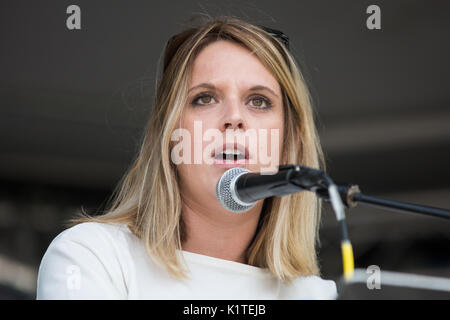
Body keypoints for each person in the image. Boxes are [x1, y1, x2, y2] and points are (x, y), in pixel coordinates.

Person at [36, 15, 337, 300]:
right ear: (168, 135)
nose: (234, 117)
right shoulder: (93, 256)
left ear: (290, 141)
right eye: (204, 98)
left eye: (258, 101)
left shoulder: (311, 293)